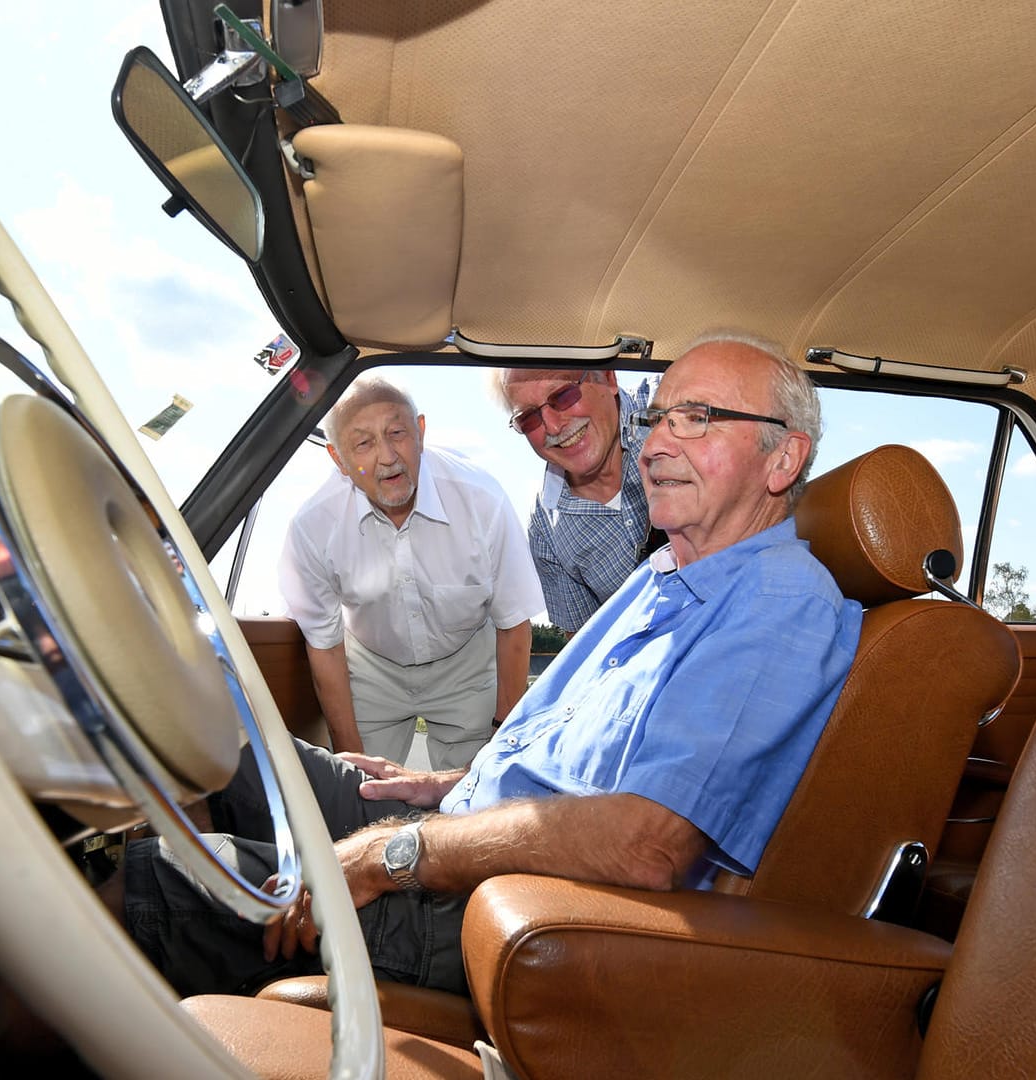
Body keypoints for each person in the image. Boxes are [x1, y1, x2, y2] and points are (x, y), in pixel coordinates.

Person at [114, 334, 864, 998]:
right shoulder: (666, 571)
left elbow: (647, 844)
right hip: (470, 828)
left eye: (696, 419)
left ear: (784, 456)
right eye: (657, 417)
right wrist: (447, 787)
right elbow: (574, 761)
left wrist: (395, 852)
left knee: (156, 882)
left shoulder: (780, 603)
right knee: (228, 750)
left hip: (519, 908)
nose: (654, 445)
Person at [276, 374, 544, 770]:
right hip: (371, 667)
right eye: (364, 443)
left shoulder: (482, 499)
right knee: (362, 802)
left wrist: (503, 731)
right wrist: (353, 761)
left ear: (420, 431)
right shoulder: (313, 525)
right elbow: (325, 647)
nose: (387, 456)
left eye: (397, 432)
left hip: (466, 664)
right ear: (339, 460)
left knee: (474, 800)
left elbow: (513, 623)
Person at [494, 367, 658, 632]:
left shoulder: (672, 406)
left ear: (608, 378)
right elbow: (587, 643)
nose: (553, 426)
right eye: (528, 418)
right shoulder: (545, 533)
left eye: (562, 396)